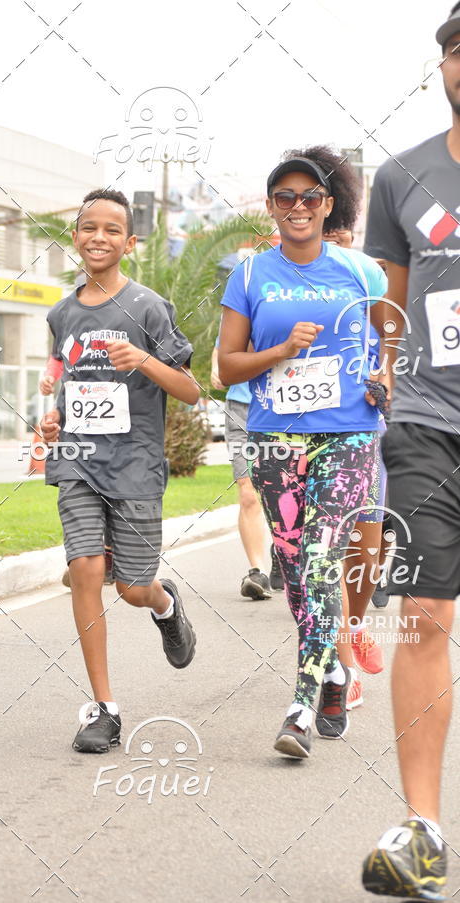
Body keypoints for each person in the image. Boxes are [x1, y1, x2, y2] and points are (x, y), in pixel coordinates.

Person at [218, 146, 388, 759]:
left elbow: (390, 335)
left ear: (326, 206)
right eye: (285, 198)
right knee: (294, 567)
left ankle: (300, 704)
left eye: (309, 198)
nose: (298, 207)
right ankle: (337, 674)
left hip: (347, 433)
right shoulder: (250, 274)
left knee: (320, 555)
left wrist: (387, 378)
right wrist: (281, 350)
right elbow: (225, 366)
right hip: (276, 437)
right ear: (272, 207)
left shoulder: (362, 271)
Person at [40, 188, 199, 753]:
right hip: (78, 464)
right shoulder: (62, 313)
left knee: (132, 588)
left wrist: (147, 361)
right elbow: (62, 380)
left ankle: (165, 603)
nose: (98, 237)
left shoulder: (149, 308)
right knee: (84, 569)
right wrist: (53, 416)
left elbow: (191, 391)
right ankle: (103, 708)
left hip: (133, 467)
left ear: (129, 242)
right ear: (76, 236)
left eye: (112, 229)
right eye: (89, 227)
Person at [361, 5, 460, 897]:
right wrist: (378, 377)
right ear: (442, 67)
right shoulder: (403, 176)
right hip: (429, 421)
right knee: (424, 613)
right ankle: (423, 827)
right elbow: (387, 304)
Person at [323, 227, 387, 704]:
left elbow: (403, 357)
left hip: (370, 436)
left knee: (367, 549)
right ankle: (342, 667)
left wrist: (383, 380)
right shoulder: (294, 297)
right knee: (326, 554)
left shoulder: (374, 291)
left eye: (342, 236)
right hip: (312, 439)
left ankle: (357, 624)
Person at [39, 356, 115, 587]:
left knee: (113, 492)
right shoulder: (69, 320)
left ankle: (108, 556)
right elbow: (59, 354)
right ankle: (83, 559)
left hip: (120, 426)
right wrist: (50, 375)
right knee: (79, 488)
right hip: (79, 425)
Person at [210, 343, 273, 599]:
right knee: (247, 492)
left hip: (277, 406)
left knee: (283, 494)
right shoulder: (237, 311)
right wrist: (216, 368)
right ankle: (257, 572)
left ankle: (282, 551)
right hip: (240, 409)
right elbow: (220, 348)